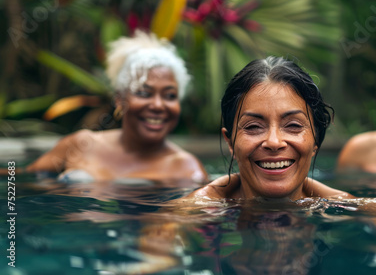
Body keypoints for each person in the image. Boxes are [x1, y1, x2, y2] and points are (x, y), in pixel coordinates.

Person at [25, 30, 207, 186]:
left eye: (170, 96)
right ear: (120, 100)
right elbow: (22, 183)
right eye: (144, 93)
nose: (158, 105)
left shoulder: (187, 170)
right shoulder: (81, 145)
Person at [189, 56, 353, 200]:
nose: (274, 142)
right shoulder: (188, 213)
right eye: (253, 127)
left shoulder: (354, 211)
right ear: (230, 142)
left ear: (315, 141)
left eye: (293, 125)